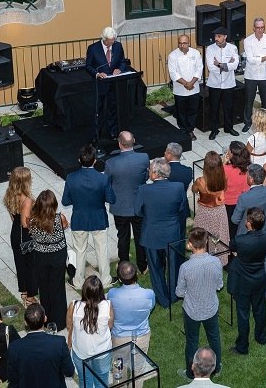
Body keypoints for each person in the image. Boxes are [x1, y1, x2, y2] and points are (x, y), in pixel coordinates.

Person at [62, 144, 115, 288]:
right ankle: (105, 280)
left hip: (79, 219)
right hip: (98, 219)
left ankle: (78, 281)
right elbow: (112, 199)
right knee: (102, 251)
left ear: (79, 160)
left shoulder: (71, 178)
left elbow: (65, 201)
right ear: (95, 161)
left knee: (80, 251)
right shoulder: (103, 179)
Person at [139, 157, 189, 307]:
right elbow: (182, 209)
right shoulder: (179, 187)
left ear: (154, 174)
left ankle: (163, 299)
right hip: (172, 233)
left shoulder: (144, 189)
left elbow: (138, 211)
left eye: (149, 170)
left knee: (155, 268)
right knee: (174, 265)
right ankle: (174, 295)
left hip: (152, 234)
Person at [176, 228, 223, 380]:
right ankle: (216, 368)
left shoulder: (185, 267)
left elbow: (179, 292)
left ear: (190, 245)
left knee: (191, 341)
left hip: (192, 311)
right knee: (214, 337)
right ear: (207, 241)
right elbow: (219, 285)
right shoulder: (216, 262)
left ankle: (190, 374)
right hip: (211, 307)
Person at [228, 206, 266, 355]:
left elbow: (232, 246)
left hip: (243, 282)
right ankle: (261, 337)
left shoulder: (240, 240)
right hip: (259, 279)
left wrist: (236, 254)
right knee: (260, 311)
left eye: (247, 220)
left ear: (249, 223)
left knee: (243, 314)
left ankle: (242, 347)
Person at [105, 131, 150, 274]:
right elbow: (146, 176)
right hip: (138, 205)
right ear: (134, 141)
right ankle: (142, 266)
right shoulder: (144, 158)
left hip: (120, 207)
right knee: (139, 236)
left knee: (122, 237)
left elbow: (107, 183)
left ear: (119, 144)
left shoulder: (111, 163)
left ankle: (123, 265)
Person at [232, 165, 266, 299]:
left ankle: (242, 290)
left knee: (243, 263)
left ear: (251, 179)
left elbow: (235, 219)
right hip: (265, 233)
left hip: (246, 236)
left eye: (247, 176)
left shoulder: (244, 197)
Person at [6, 303, 74, 388]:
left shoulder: (14, 348)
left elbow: (12, 381)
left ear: (26, 323)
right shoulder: (59, 343)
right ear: (45, 319)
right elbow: (69, 372)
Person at [28, 189, 69, 330]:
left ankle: (45, 319)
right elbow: (66, 226)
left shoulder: (32, 220)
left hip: (40, 256)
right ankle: (60, 322)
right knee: (58, 288)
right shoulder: (59, 218)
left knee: (44, 289)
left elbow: (31, 232)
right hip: (58, 256)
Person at [66, 276, 112, 388]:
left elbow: (68, 326)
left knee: (85, 381)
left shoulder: (74, 306)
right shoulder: (107, 306)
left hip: (80, 351)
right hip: (102, 352)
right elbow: (110, 326)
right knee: (101, 381)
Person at [85, 26, 128, 139]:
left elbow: (122, 62)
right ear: (104, 39)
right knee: (98, 109)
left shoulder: (118, 46)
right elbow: (88, 66)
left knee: (112, 108)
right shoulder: (93, 48)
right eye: (110, 40)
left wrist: (120, 69)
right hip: (99, 85)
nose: (113, 42)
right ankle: (96, 134)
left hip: (114, 84)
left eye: (114, 39)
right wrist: (97, 74)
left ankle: (112, 131)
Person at [4, 166, 38, 306]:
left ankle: (23, 291)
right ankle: (30, 297)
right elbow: (25, 223)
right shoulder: (27, 200)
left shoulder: (9, 194)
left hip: (15, 234)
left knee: (20, 264)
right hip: (26, 235)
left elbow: (14, 218)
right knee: (31, 267)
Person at [107, 261, 155, 358]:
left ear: (120, 279)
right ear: (136, 274)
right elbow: (151, 307)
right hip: (141, 336)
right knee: (139, 368)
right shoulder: (149, 294)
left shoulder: (112, 294)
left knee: (119, 368)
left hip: (119, 338)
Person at [205, 26, 240, 139]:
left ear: (225, 37)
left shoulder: (233, 48)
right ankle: (214, 130)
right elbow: (210, 67)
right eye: (215, 36)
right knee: (214, 108)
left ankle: (228, 128)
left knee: (228, 107)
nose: (216, 38)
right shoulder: (210, 49)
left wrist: (219, 64)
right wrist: (226, 65)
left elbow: (234, 65)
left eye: (219, 36)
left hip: (229, 83)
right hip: (214, 84)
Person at [192, 151, 230, 256]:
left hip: (204, 212)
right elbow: (224, 188)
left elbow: (194, 190)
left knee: (201, 236)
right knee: (219, 236)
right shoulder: (224, 179)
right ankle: (218, 256)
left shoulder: (200, 181)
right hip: (220, 211)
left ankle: (202, 256)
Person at [242, 17, 266, 132]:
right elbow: (250, 59)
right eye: (258, 28)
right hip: (251, 75)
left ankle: (265, 122)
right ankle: (247, 122)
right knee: (249, 101)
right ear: (253, 28)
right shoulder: (247, 41)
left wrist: (260, 58)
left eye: (262, 28)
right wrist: (265, 57)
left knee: (265, 101)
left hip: (265, 75)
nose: (260, 30)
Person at [168, 34, 203, 140]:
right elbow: (173, 73)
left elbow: (199, 68)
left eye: (184, 43)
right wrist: (186, 84)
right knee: (181, 111)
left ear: (189, 43)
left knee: (193, 110)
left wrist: (191, 83)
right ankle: (183, 130)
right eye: (180, 43)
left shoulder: (196, 53)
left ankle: (190, 130)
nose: (182, 45)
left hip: (194, 88)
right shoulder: (172, 55)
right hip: (180, 89)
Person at [223, 141, 251, 243]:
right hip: (242, 203)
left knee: (229, 229)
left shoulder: (225, 169)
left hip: (227, 204)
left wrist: (224, 163)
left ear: (232, 154)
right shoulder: (248, 169)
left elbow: (220, 184)